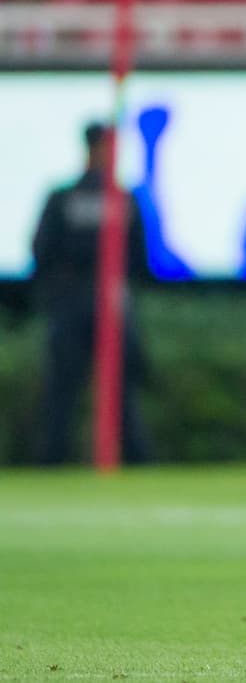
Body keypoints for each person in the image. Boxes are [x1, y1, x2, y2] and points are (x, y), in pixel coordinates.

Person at [31, 122, 152, 464]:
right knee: (74, 390)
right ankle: (57, 462)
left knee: (109, 390)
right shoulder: (108, 198)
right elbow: (140, 260)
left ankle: (131, 460)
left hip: (92, 301)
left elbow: (40, 252)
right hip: (92, 302)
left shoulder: (82, 197)